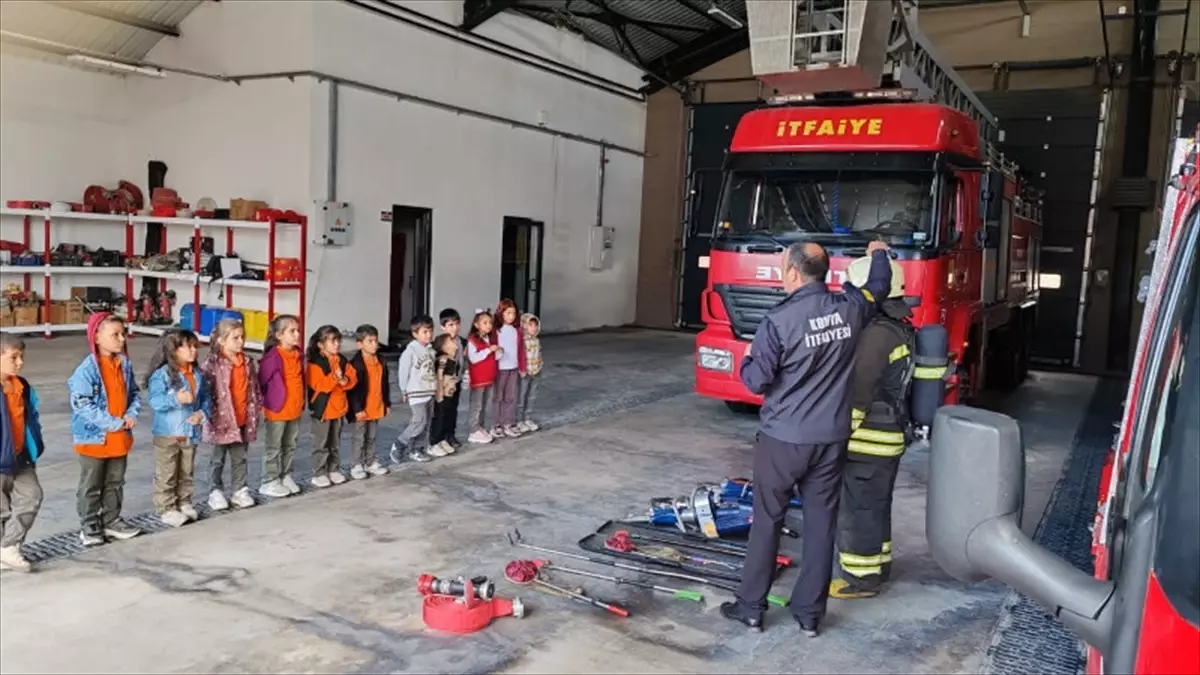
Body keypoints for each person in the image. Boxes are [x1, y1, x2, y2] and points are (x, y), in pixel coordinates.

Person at [720, 240, 893, 637]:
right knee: (821, 525)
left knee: (767, 521)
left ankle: (750, 607)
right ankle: (810, 615)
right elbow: (879, 285)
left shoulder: (778, 321)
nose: (783, 274)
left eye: (784, 268)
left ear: (795, 273)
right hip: (831, 439)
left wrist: (748, 358)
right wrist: (879, 252)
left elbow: (756, 381)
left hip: (783, 439)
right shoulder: (850, 308)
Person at [830, 255, 913, 600]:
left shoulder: (876, 336)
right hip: (887, 435)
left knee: (859, 508)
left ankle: (860, 579)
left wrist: (833, 439)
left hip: (868, 440)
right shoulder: (898, 327)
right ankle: (878, 564)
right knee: (876, 504)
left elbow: (857, 394)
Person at [68, 312, 142, 546]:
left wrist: (131, 414)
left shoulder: (125, 365)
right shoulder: (87, 369)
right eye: (115, 335)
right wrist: (112, 423)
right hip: (94, 439)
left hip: (119, 438)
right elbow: (81, 403)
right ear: (97, 337)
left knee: (115, 482)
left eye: (123, 334)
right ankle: (89, 524)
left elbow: (135, 394)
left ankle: (111, 520)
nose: (121, 339)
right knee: (91, 484)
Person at [146, 328, 210, 528]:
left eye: (194, 346)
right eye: (187, 346)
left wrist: (202, 414)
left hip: (190, 432)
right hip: (167, 433)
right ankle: (166, 508)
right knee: (167, 472)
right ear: (173, 350)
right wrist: (176, 399)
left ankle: (184, 502)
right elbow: (155, 401)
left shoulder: (197, 374)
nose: (193, 350)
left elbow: (206, 399)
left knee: (186, 470)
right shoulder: (162, 375)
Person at [201, 318, 261, 511]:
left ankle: (239, 489)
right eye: (235, 338)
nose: (241, 342)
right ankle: (215, 490)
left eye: (242, 337)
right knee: (217, 458)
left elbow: (254, 389)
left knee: (240, 457)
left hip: (243, 419)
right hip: (221, 421)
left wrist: (256, 409)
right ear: (221, 341)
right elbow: (205, 392)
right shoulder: (211, 364)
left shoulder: (248, 363)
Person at [0, 334, 46, 572]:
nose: (20, 363)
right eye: (13, 357)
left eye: (21, 357)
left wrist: (34, 442)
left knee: (32, 496)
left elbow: (31, 416)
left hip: (20, 457)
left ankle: (8, 546)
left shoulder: (23, 386)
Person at [258, 314, 304, 499]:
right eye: (291, 331)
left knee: (290, 444)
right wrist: (264, 403)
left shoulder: (298, 354)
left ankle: (286, 476)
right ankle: (269, 480)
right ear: (278, 335)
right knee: (273, 447)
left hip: (294, 409)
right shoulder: (272, 357)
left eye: (298, 330)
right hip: (277, 410)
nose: (297, 334)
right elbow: (262, 381)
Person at [306, 325, 356, 487]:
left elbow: (352, 378)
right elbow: (320, 385)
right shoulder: (316, 363)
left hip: (339, 408)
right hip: (323, 410)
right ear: (321, 344)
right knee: (321, 444)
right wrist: (335, 378)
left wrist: (345, 381)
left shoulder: (341, 360)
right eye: (332, 341)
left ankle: (333, 469)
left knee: (334, 443)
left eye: (338, 341)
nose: (337, 344)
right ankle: (319, 472)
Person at [345, 324, 391, 479]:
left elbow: (385, 385)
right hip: (362, 408)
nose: (374, 345)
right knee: (359, 437)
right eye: (369, 341)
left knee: (371, 436)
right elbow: (353, 390)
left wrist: (387, 403)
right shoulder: (355, 364)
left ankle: (370, 462)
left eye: (375, 341)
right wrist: (357, 409)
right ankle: (356, 464)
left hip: (376, 405)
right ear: (359, 344)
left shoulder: (381, 361)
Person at [390, 315, 437, 463]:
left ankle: (417, 449)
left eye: (430, 331)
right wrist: (404, 390)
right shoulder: (410, 352)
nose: (428, 335)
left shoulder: (431, 351)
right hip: (416, 392)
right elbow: (403, 371)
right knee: (419, 421)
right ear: (415, 334)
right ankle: (400, 443)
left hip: (429, 391)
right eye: (424, 332)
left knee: (426, 422)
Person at [491, 299, 527, 438]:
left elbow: (521, 350)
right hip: (500, 369)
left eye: (513, 313)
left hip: (513, 368)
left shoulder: (517, 330)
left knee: (510, 397)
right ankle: (496, 424)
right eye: (508, 313)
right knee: (498, 397)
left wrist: (522, 367)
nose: (511, 316)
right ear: (501, 313)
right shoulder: (496, 331)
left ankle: (508, 423)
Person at [465, 309, 499, 444]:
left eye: (490, 323)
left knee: (484, 404)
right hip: (478, 378)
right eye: (485, 323)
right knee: (476, 405)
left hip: (488, 377)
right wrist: (488, 350)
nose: (489, 325)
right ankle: (473, 430)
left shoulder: (488, 339)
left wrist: (497, 351)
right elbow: (474, 358)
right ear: (476, 324)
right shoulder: (472, 340)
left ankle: (480, 427)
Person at [436, 308, 468, 449]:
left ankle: (450, 435)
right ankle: (439, 438)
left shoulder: (462, 342)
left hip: (457, 380)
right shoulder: (440, 343)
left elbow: (464, 360)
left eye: (456, 324)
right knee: (442, 410)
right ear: (443, 327)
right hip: (443, 384)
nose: (454, 328)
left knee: (453, 409)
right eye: (450, 325)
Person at [428, 333, 461, 457]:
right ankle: (434, 442)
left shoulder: (453, 359)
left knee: (446, 416)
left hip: (450, 394)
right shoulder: (443, 359)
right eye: (451, 342)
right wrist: (439, 394)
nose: (455, 344)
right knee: (439, 417)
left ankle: (441, 439)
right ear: (443, 346)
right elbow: (439, 376)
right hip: (442, 394)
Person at [517, 313, 543, 432]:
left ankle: (528, 418)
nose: (533, 328)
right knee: (521, 396)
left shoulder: (536, 341)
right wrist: (521, 370)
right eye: (530, 325)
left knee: (532, 396)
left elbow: (539, 355)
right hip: (524, 374)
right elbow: (518, 357)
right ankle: (519, 420)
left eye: (535, 325)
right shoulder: (521, 341)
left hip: (536, 372)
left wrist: (540, 366)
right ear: (524, 326)